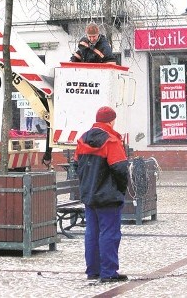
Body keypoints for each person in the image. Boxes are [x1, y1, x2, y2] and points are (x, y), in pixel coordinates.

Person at [74, 106, 129, 282]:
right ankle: (109, 272)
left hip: (89, 194)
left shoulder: (83, 139)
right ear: (111, 121)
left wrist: (87, 184)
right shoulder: (111, 141)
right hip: (108, 196)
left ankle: (93, 271)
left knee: (92, 233)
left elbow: (76, 166)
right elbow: (120, 169)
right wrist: (120, 189)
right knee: (109, 234)